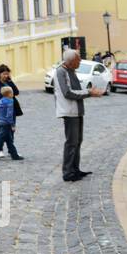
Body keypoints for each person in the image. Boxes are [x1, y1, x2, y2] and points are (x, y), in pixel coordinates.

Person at [55, 47, 103, 182]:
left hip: (77, 111)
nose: (80, 61)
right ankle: (68, 172)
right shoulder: (61, 72)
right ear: (70, 62)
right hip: (70, 112)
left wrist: (87, 91)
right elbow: (67, 93)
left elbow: (75, 90)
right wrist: (89, 93)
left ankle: (75, 169)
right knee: (71, 142)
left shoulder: (71, 71)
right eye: (78, 59)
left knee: (77, 142)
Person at [0, 87, 22, 161]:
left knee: (9, 140)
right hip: (6, 124)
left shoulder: (1, 100)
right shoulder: (10, 101)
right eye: (12, 93)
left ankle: (14, 155)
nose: (13, 94)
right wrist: (12, 125)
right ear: (9, 94)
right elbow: (9, 115)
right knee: (1, 140)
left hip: (0, 122)